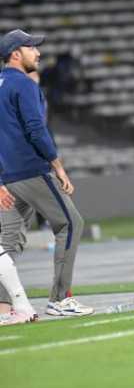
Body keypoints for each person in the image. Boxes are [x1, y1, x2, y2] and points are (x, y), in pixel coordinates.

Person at [0, 30, 92, 316]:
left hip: (7, 177)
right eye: (32, 48)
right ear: (16, 54)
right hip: (31, 169)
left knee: (7, 243)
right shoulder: (23, 84)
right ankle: (60, 299)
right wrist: (58, 165)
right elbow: (36, 129)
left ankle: (4, 307)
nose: (38, 53)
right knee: (71, 224)